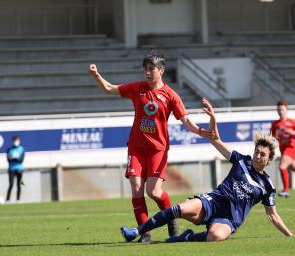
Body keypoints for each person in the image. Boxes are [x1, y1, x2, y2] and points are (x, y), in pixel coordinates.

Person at [120, 98, 295, 243]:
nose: (257, 156)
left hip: (229, 219)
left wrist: (289, 234)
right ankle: (137, 231)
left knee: (216, 236)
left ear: (269, 160)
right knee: (180, 208)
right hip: (212, 202)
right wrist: (213, 118)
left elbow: (272, 214)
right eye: (256, 151)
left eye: (262, 154)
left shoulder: (267, 185)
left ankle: (187, 237)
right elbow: (216, 141)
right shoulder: (241, 161)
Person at [88, 52, 212, 242]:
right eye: (145, 69)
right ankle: (145, 233)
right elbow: (109, 89)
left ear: (161, 70)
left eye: (151, 69)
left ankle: (172, 220)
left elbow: (185, 120)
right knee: (136, 188)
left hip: (157, 149)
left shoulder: (170, 95)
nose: (147, 72)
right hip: (136, 148)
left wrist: (200, 131)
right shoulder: (138, 88)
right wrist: (96, 75)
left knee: (153, 191)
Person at [6, 135, 25, 202]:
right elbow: (8, 160)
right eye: (14, 140)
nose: (16, 142)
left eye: (17, 140)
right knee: (11, 184)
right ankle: (7, 200)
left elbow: (21, 160)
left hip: (20, 169)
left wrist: (14, 159)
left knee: (19, 185)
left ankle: (18, 199)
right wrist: (15, 159)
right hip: (11, 169)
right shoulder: (9, 149)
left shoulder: (22, 149)